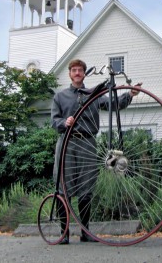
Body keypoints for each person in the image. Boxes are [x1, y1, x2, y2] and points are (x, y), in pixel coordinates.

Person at [51, 59, 141, 244]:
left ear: (84, 73)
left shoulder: (93, 95)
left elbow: (113, 104)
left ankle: (85, 232)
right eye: (74, 70)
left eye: (80, 70)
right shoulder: (60, 97)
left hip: (87, 143)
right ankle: (64, 234)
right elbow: (54, 121)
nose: (77, 73)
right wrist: (63, 122)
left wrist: (130, 94)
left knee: (86, 188)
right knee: (63, 189)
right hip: (67, 143)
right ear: (69, 73)